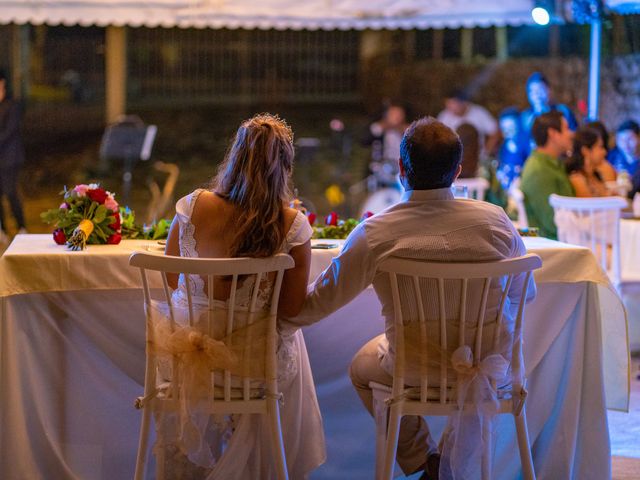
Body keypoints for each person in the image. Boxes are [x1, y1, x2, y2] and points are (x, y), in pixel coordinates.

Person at [283, 117, 535, 480]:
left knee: (361, 367)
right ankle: (437, 466)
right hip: (492, 366)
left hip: (413, 370)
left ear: (401, 167)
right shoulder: (496, 221)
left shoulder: (376, 232)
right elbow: (524, 294)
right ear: (458, 171)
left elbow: (315, 305)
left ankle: (426, 461)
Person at [163, 113, 326, 478]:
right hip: (253, 367)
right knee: (287, 335)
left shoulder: (190, 208)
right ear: (283, 168)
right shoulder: (293, 226)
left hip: (191, 353)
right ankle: (269, 464)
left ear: (233, 157)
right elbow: (291, 309)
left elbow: (172, 281)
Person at [520, 111, 575, 240]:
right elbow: (552, 223)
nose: (571, 134)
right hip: (550, 241)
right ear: (553, 134)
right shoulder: (538, 170)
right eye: (567, 128)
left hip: (563, 237)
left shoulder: (551, 163)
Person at [0, 69, 26, 242]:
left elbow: (9, 132)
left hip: (10, 158)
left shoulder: (12, 105)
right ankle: (2, 229)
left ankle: (21, 227)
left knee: (10, 192)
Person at [521, 72, 578, 145]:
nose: (537, 94)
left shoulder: (563, 111)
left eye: (540, 89)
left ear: (549, 90)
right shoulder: (526, 117)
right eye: (532, 91)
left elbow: (574, 133)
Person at [437, 90, 499, 156]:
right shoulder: (444, 116)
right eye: (448, 105)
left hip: (477, 158)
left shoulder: (479, 112)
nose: (450, 108)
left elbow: (495, 132)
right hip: (454, 160)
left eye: (453, 104)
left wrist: (486, 152)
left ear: (463, 102)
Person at [565, 127, 611, 197]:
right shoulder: (577, 179)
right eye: (600, 147)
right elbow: (591, 206)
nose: (604, 152)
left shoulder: (595, 175)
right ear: (585, 151)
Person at [496, 107, 531, 190]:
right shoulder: (504, 147)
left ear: (519, 126)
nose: (508, 132)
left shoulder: (527, 147)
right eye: (504, 129)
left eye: (512, 127)